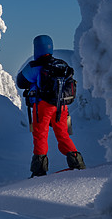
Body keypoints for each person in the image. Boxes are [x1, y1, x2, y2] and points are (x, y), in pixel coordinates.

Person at [15, 35, 85, 176]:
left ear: (36, 48)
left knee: (40, 136)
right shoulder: (62, 64)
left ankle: (39, 170)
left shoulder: (34, 66)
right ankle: (77, 163)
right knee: (63, 134)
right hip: (62, 106)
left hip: (43, 106)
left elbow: (21, 82)